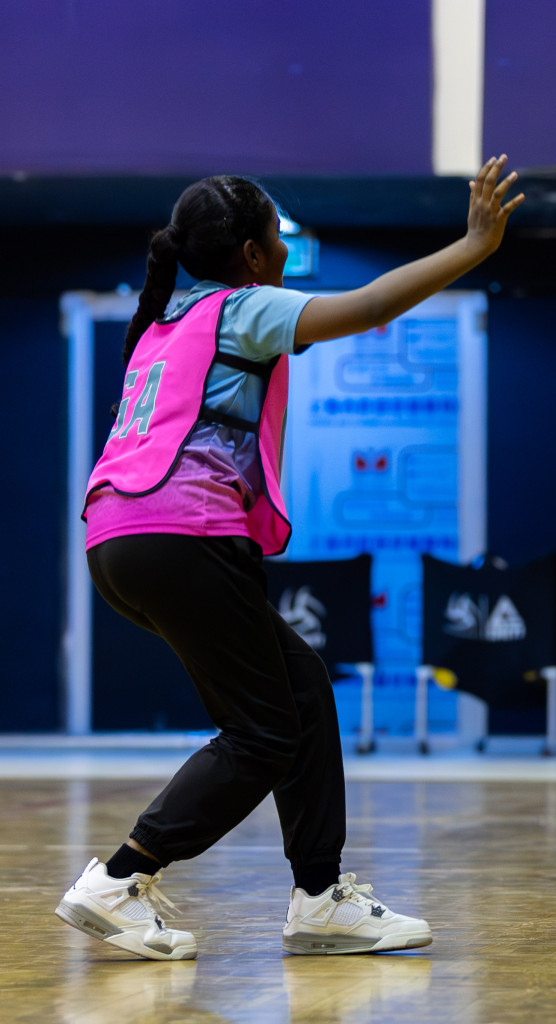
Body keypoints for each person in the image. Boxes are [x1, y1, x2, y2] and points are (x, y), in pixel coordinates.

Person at [57, 158, 524, 961]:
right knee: (262, 733)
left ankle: (318, 898)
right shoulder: (244, 309)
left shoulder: (164, 326)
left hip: (118, 542)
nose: (284, 248)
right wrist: (476, 246)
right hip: (185, 535)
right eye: (276, 235)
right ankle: (121, 878)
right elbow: (371, 305)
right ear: (249, 251)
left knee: (301, 685)